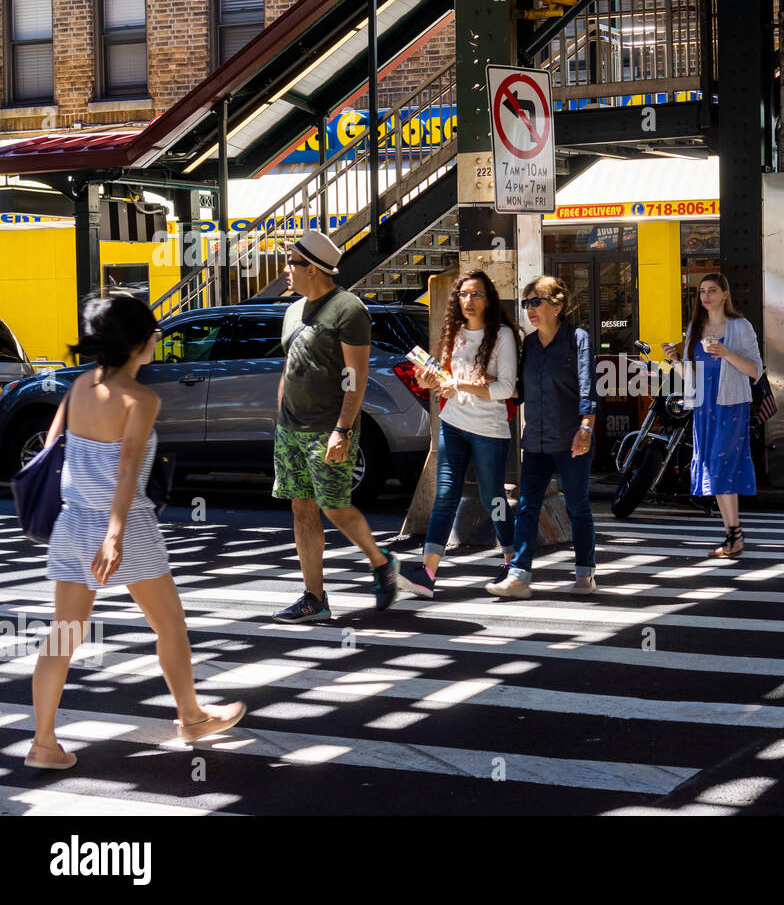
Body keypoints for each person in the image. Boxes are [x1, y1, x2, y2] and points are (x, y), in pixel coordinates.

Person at [32, 295, 245, 770]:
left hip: (72, 521)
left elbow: (51, 448)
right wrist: (115, 534)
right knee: (169, 622)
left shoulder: (79, 386)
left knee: (63, 634)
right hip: (123, 526)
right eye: (152, 333)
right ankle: (190, 716)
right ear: (138, 343)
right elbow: (128, 468)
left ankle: (43, 743)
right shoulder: (142, 398)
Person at [271, 229, 400, 623]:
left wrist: (342, 430)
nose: (285, 269)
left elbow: (355, 376)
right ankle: (314, 596)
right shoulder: (294, 309)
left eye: (291, 262)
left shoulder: (348, 309)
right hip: (290, 429)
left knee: (334, 506)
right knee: (302, 509)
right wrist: (280, 419)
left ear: (311, 268)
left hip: (329, 428)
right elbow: (288, 368)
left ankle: (381, 563)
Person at [399, 270, 518, 597]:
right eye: (464, 294)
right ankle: (427, 572)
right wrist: (431, 382)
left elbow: (506, 387)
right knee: (445, 495)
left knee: (491, 497)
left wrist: (459, 384)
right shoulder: (454, 333)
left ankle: (512, 560)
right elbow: (446, 383)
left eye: (476, 294)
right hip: (453, 423)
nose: (469, 300)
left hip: (489, 430)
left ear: (489, 299)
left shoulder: (503, 335)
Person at [490, 276, 597, 598]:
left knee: (577, 506)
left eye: (536, 301)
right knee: (526, 507)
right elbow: (518, 392)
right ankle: (519, 576)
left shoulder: (578, 339)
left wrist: (587, 427)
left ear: (558, 304)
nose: (530, 310)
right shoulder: (530, 345)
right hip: (535, 440)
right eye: (526, 303)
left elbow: (588, 388)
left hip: (571, 439)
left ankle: (585, 573)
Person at [664, 272, 763, 556]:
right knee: (713, 468)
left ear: (725, 294)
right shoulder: (696, 326)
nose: (706, 296)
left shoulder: (740, 326)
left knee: (722, 465)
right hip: (704, 407)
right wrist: (674, 360)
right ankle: (732, 535)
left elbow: (756, 370)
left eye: (712, 291)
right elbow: (691, 377)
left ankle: (735, 535)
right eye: (702, 291)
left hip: (731, 404)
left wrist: (726, 353)